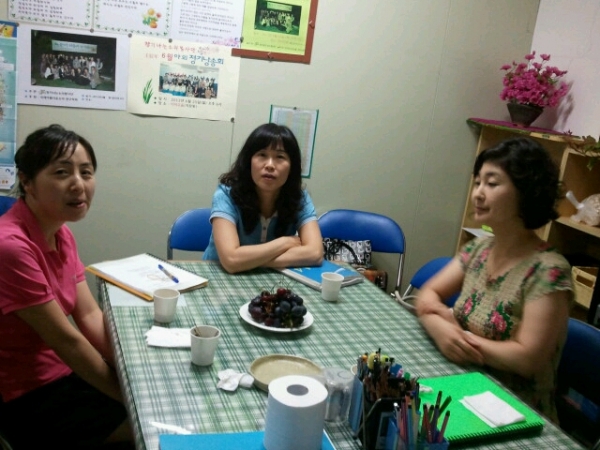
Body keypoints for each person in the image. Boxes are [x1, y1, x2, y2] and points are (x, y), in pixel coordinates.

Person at [415, 137, 573, 423]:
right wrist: (438, 327)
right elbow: (427, 295)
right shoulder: (479, 248)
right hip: (464, 381)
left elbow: (527, 359)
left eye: (491, 183)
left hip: (513, 411)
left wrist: (459, 338)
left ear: (525, 191)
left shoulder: (548, 271)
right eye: (477, 182)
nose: (478, 193)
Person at [0, 125, 133, 449]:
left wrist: (129, 372)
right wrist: (131, 400)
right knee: (158, 429)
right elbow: (67, 341)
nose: (78, 184)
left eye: (86, 172)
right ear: (27, 181)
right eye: (62, 172)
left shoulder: (61, 233)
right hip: (24, 394)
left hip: (62, 371)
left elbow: (88, 315)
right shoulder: (10, 246)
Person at [202, 123, 323, 273]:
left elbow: (315, 253)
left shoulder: (299, 197)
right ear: (249, 161)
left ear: (292, 167)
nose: (270, 165)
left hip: (273, 279)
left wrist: (246, 261)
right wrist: (284, 243)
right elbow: (231, 260)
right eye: (262, 155)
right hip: (219, 277)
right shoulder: (226, 194)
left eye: (280, 157)